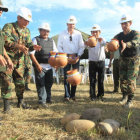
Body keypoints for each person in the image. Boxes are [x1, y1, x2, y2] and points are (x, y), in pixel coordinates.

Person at [2, 7, 41, 111]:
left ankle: (21, 102)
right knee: (7, 82)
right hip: (7, 60)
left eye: (28, 21)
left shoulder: (27, 31)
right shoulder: (8, 27)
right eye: (25, 20)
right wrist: (18, 46)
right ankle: (7, 107)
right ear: (18, 17)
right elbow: (4, 41)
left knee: (20, 83)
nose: (27, 23)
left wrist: (33, 47)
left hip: (20, 62)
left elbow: (28, 44)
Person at [113, 14, 140, 108]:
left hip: (134, 60)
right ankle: (124, 96)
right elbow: (113, 41)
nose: (124, 25)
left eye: (126, 23)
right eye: (122, 24)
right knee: (123, 79)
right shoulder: (119, 35)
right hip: (123, 59)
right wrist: (107, 46)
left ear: (130, 23)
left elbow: (136, 42)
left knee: (130, 80)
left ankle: (130, 100)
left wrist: (126, 44)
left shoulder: (135, 33)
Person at [30, 23, 58, 108]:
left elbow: (55, 53)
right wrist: (37, 65)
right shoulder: (35, 39)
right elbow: (31, 54)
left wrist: (56, 64)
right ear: (40, 30)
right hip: (40, 65)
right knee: (41, 83)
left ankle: (48, 98)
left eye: (48, 31)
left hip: (49, 66)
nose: (46, 32)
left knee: (49, 83)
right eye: (44, 30)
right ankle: (42, 101)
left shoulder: (51, 41)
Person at [57, 15, 84, 101]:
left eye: (73, 24)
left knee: (75, 77)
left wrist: (78, 56)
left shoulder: (79, 34)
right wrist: (65, 56)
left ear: (75, 25)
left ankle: (73, 95)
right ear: (67, 24)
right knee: (66, 77)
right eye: (70, 24)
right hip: (65, 57)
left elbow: (82, 46)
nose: (71, 25)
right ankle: (67, 95)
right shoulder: (62, 33)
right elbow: (59, 46)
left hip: (76, 57)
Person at [85, 24, 106, 101]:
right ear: (91, 33)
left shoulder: (102, 39)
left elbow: (105, 43)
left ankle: (100, 95)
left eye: (96, 32)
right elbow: (84, 46)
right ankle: (92, 95)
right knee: (92, 80)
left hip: (101, 62)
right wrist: (85, 43)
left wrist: (100, 40)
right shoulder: (89, 40)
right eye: (93, 32)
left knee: (101, 80)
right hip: (92, 62)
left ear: (99, 32)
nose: (94, 33)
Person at [0, 1, 14, 113]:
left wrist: (7, 57)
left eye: (2, 10)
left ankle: (7, 108)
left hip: (1, 61)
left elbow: (1, 45)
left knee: (6, 81)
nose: (0, 11)